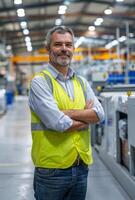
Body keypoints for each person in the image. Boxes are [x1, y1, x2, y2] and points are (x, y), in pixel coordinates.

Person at [29, 26, 105, 200]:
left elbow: (100, 115)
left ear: (73, 49)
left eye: (68, 44)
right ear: (48, 48)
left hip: (81, 166)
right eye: (58, 44)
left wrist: (68, 112)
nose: (64, 48)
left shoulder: (81, 82)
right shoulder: (40, 83)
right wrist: (87, 117)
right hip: (52, 170)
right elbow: (59, 124)